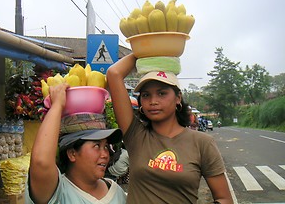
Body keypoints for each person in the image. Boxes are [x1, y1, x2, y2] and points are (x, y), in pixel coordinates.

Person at [106, 53, 233, 204]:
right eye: (146, 95)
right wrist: (143, 50)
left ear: (178, 97)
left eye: (162, 93)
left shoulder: (202, 143)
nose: (153, 101)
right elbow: (114, 74)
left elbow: (224, 199)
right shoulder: (135, 135)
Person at [25, 83, 127, 204]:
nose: (105, 154)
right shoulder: (57, 192)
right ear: (72, 153)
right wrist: (57, 105)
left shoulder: (116, 192)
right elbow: (41, 162)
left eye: (105, 146)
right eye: (96, 146)